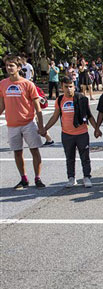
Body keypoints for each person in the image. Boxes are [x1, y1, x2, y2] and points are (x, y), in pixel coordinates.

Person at [0, 55, 46, 189]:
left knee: (34, 150)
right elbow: (1, 106)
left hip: (28, 123)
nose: (9, 68)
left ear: (19, 68)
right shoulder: (3, 84)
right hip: (12, 125)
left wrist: (41, 126)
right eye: (7, 65)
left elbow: (38, 108)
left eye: (12, 65)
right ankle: (23, 178)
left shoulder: (28, 84)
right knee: (17, 152)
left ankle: (38, 178)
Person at [41, 77, 96, 187]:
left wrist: (97, 129)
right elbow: (55, 116)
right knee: (69, 157)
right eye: (66, 87)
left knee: (85, 157)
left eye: (71, 86)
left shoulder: (82, 99)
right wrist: (45, 128)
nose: (69, 89)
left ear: (74, 86)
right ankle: (71, 178)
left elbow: (89, 116)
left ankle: (86, 177)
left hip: (81, 133)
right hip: (67, 134)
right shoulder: (60, 100)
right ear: (62, 87)